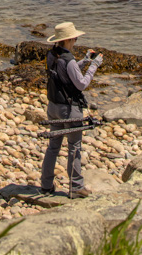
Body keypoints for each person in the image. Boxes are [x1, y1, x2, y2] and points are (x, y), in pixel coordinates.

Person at [39, 21, 103, 198]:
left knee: (53, 146)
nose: (75, 40)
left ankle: (45, 185)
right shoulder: (69, 61)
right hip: (69, 109)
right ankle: (76, 187)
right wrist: (94, 65)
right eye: (74, 38)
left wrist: (84, 61)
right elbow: (81, 84)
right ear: (68, 40)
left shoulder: (52, 54)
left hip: (53, 106)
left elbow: (65, 72)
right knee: (74, 146)